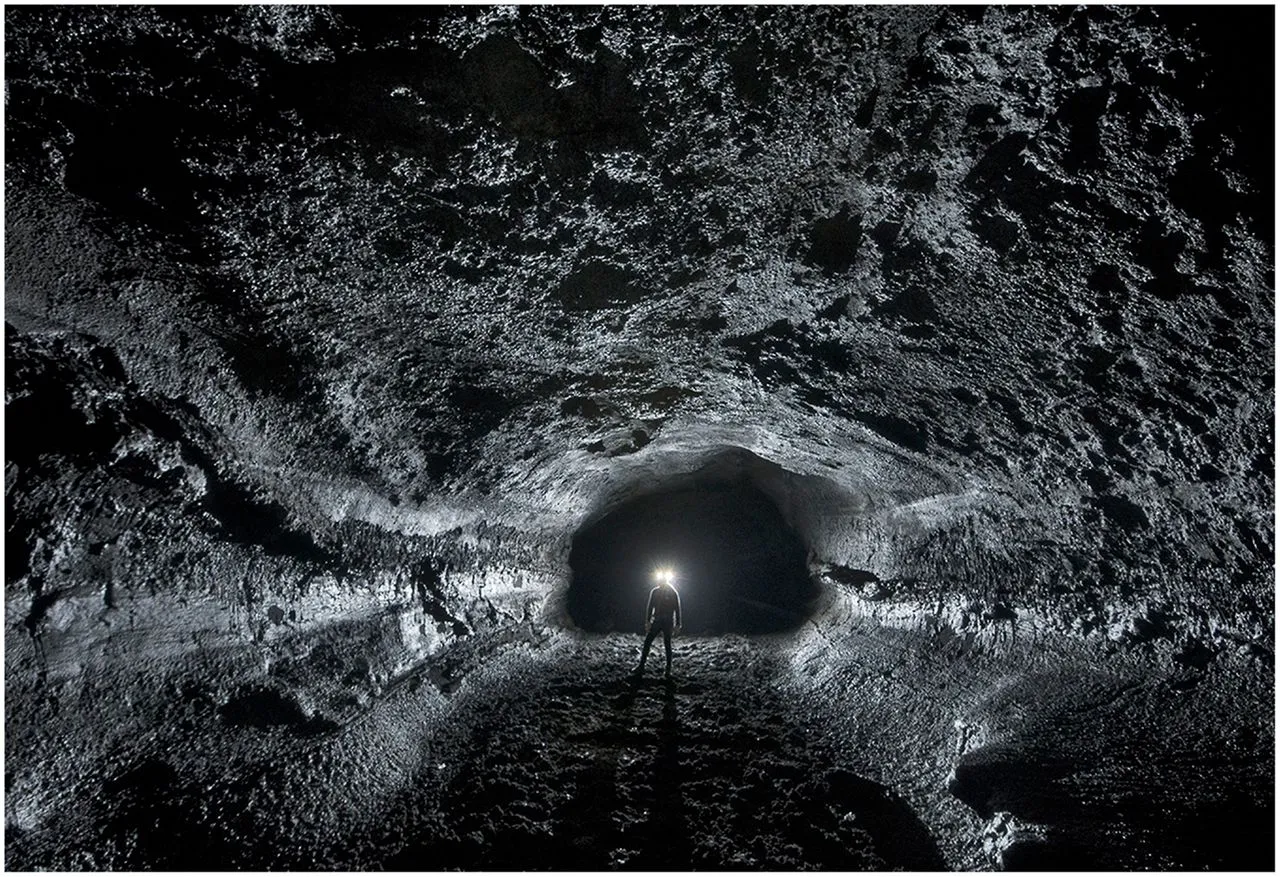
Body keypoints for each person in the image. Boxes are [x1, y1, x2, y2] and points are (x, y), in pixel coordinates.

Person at [635, 569, 682, 678]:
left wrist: (678, 624)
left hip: (667, 622)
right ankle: (641, 666)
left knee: (667, 644)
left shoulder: (672, 592)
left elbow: (677, 609)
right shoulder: (655, 592)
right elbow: (650, 606)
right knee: (648, 642)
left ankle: (668, 669)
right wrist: (647, 621)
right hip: (658, 620)